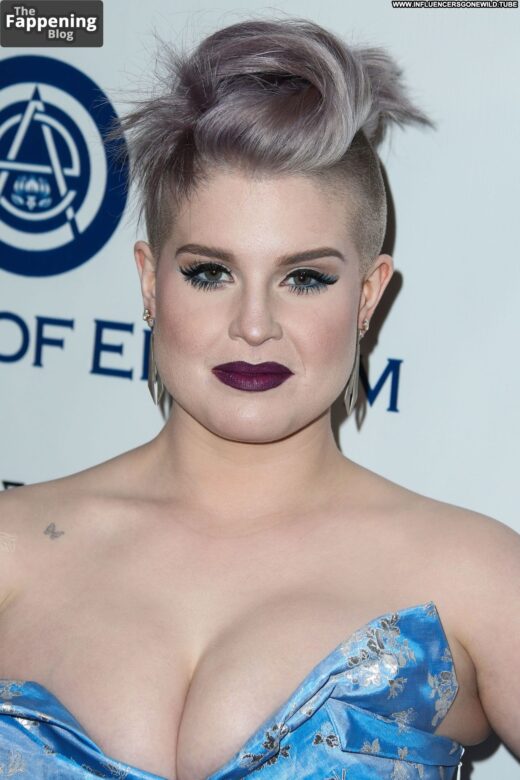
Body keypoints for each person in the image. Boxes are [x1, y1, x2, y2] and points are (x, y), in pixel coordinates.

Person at [0, 15, 519, 780]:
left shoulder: (474, 576)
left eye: (304, 278)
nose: (253, 325)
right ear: (150, 282)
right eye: (210, 272)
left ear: (367, 296)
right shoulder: (12, 548)